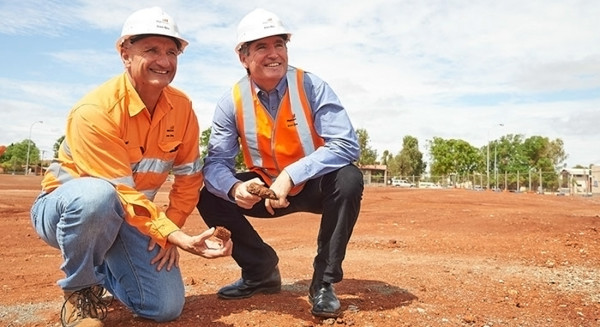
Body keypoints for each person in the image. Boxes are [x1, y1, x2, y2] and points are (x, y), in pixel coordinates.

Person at [30, 7, 232, 327]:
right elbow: (119, 192)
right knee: (97, 196)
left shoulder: (182, 108)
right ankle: (80, 292)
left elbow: (190, 176)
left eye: (171, 51)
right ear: (125, 53)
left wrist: (169, 231)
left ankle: (105, 269)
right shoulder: (95, 111)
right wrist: (176, 235)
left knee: (164, 307)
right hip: (67, 212)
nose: (163, 61)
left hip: (130, 217)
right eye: (151, 50)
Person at [197, 8, 364, 318]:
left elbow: (346, 143)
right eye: (261, 47)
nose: (273, 54)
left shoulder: (311, 86)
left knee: (349, 179)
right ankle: (260, 271)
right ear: (243, 57)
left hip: (314, 185)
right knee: (207, 192)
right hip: (265, 190)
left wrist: (291, 175)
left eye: (279, 44)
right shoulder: (231, 101)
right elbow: (215, 163)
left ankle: (323, 283)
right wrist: (235, 188)